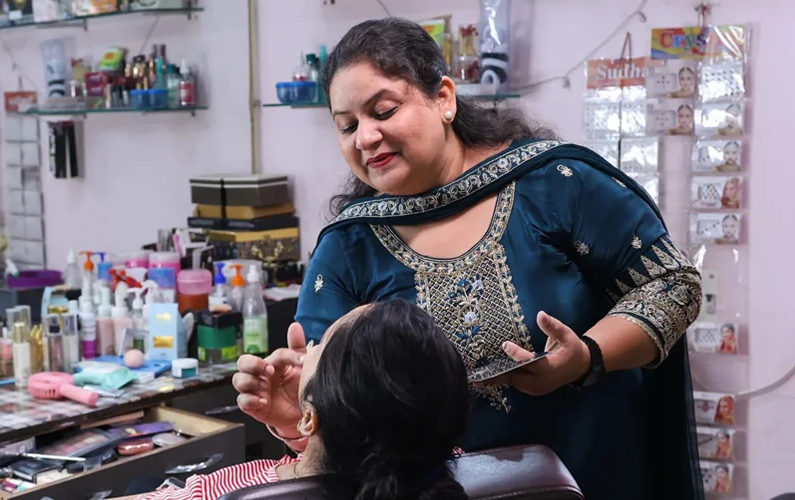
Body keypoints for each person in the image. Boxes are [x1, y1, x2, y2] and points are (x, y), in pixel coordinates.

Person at [233, 18, 704, 500]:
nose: (366, 137)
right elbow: (343, 418)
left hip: (595, 477)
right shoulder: (348, 247)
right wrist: (299, 419)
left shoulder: (554, 184)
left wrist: (586, 357)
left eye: (384, 111)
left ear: (444, 98)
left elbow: (673, 285)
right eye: (347, 126)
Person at [133, 300, 470, 500]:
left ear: (310, 417)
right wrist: (307, 423)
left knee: (141, 481)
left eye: (319, 345)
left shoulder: (228, 490)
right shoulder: (447, 466)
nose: (306, 349)